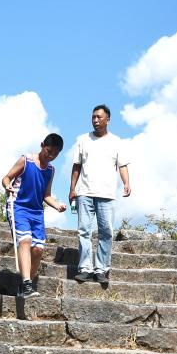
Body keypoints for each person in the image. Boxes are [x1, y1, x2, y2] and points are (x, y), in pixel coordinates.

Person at [68, 104, 131, 284]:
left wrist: (126, 182)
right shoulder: (83, 140)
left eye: (99, 117)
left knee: (106, 232)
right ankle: (85, 268)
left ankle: (101, 269)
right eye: (93, 117)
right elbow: (76, 166)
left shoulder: (116, 142)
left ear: (108, 119)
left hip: (107, 193)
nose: (95, 120)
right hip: (85, 192)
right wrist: (72, 188)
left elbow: (123, 165)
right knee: (84, 231)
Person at [1, 134, 68, 299]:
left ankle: (25, 286)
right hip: (18, 206)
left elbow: (47, 195)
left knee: (38, 249)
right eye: (48, 151)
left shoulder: (51, 170)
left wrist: (57, 205)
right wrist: (7, 185)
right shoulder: (26, 160)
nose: (50, 156)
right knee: (25, 240)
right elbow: (6, 177)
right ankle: (26, 283)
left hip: (37, 212)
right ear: (42, 145)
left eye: (55, 154)